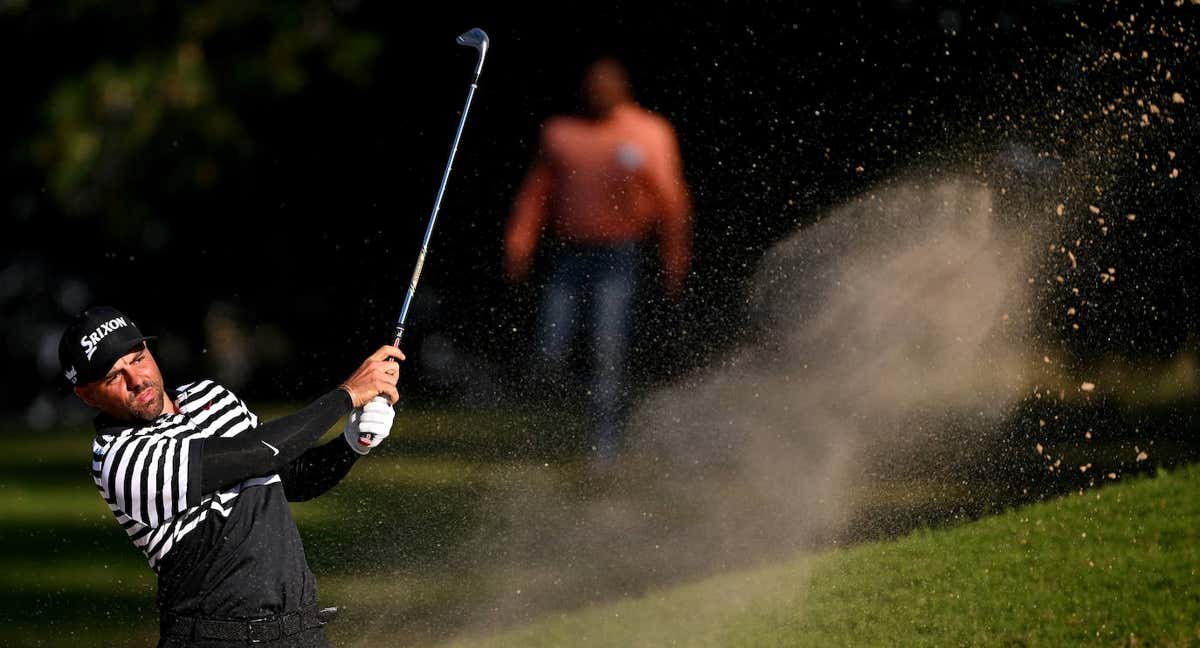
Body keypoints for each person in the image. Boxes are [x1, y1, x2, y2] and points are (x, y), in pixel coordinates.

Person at [59, 306, 403, 647]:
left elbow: (290, 477)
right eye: (113, 376)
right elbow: (257, 452)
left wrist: (350, 445)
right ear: (86, 395)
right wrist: (346, 396)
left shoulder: (210, 395)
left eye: (137, 359)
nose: (136, 380)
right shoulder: (119, 459)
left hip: (301, 631)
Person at [505, 57, 693, 464]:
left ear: (622, 89)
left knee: (608, 349)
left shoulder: (648, 132)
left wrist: (674, 258)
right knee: (550, 348)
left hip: (620, 256)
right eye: (592, 86)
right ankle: (547, 434)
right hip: (568, 255)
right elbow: (536, 195)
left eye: (606, 85)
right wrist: (519, 242)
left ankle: (604, 446)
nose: (598, 93)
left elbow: (671, 201)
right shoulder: (562, 133)